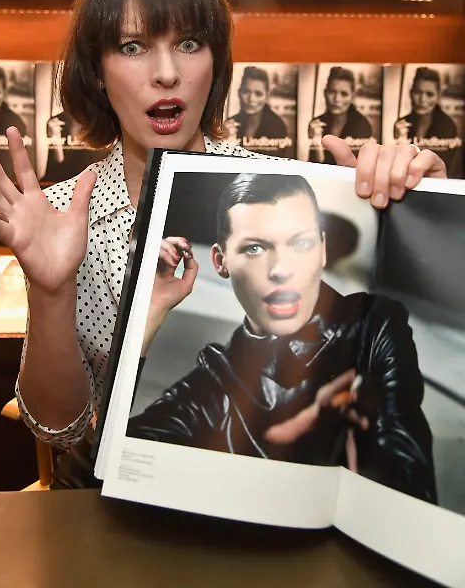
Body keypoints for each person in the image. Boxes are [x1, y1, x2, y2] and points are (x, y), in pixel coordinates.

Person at [0, 0, 447, 490]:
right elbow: (59, 429)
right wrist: (51, 292)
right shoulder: (62, 215)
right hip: (118, 516)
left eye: (189, 43)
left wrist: (416, 207)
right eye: (133, 46)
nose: (167, 73)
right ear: (97, 71)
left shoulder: (278, 189)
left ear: (215, 63)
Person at [128, 173, 437, 504]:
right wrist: (149, 313)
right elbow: (111, 475)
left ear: (322, 250)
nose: (281, 269)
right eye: (256, 248)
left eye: (301, 243)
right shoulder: (209, 388)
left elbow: (410, 476)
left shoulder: (371, 326)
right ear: (221, 261)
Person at [395, 66, 460, 176]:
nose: (422, 100)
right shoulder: (400, 125)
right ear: (411, 93)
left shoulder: (448, 125)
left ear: (438, 96)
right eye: (417, 92)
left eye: (429, 94)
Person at [309, 66, 373, 164]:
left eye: (344, 94)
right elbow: (314, 166)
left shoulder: (362, 125)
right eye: (332, 92)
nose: (337, 99)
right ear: (325, 93)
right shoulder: (316, 124)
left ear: (352, 97)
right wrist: (316, 142)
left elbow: (351, 167)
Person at [225, 66, 289, 157]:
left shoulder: (277, 126)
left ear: (267, 96)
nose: (251, 99)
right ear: (239, 93)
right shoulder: (229, 125)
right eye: (246, 92)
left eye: (258, 94)